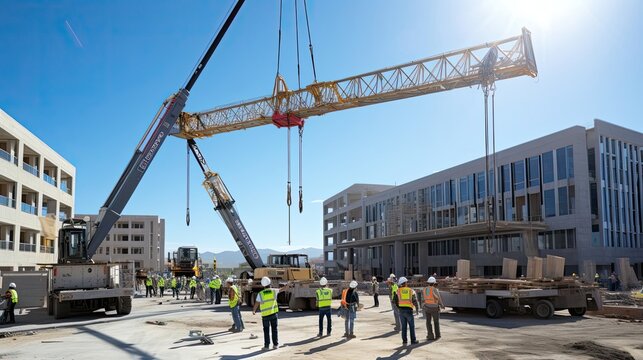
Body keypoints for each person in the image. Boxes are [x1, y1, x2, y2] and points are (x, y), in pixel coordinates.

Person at [253, 276, 279, 350]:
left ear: (262, 285)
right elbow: (282, 289)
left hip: (265, 316)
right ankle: (275, 345)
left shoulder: (260, 294)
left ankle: (266, 346)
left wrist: (254, 310)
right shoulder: (274, 291)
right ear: (270, 283)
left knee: (266, 330)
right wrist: (288, 285)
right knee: (274, 329)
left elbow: (257, 303)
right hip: (273, 314)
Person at [393, 277, 419, 346]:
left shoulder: (397, 291)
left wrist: (399, 307)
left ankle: (404, 341)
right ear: (405, 283)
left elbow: (395, 301)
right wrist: (417, 309)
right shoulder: (411, 290)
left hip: (401, 311)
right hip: (409, 311)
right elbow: (415, 301)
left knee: (404, 327)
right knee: (411, 326)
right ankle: (413, 340)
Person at [422, 276, 445, 340]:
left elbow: (423, 299)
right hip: (434, 308)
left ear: (428, 283)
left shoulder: (425, 289)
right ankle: (437, 335)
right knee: (436, 322)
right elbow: (438, 298)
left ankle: (430, 336)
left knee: (428, 322)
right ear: (434, 283)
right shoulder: (434, 289)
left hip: (427, 307)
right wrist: (442, 305)